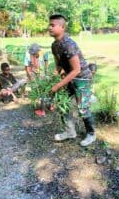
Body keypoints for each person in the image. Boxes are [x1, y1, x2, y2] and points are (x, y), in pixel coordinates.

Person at [49, 14, 96, 147]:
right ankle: (70, 132)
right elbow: (58, 65)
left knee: (83, 108)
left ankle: (91, 134)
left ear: (62, 27)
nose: (49, 27)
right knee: (63, 103)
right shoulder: (54, 45)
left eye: (53, 25)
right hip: (69, 77)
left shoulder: (68, 44)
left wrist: (58, 85)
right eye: (49, 25)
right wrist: (52, 77)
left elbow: (76, 69)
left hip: (82, 78)